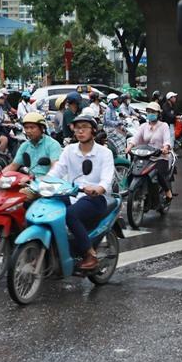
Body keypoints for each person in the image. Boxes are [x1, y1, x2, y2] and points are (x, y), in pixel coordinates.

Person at [47, 114, 114, 271]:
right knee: (42, 206)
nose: (80, 131)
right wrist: (42, 183)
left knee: (70, 214)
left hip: (95, 198)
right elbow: (57, 171)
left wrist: (98, 188)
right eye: (77, 128)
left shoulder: (105, 153)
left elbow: (106, 179)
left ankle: (90, 254)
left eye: (84, 127)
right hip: (72, 194)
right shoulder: (69, 150)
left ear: (93, 131)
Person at [128, 101, 174, 200]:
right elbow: (135, 138)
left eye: (153, 112)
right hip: (145, 155)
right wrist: (129, 147)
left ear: (158, 114)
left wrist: (165, 148)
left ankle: (167, 191)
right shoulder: (143, 126)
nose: (150, 114)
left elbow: (167, 140)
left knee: (157, 172)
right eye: (148, 111)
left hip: (160, 156)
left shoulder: (164, 126)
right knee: (133, 168)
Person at [3, 112, 63, 178]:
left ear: (42, 128)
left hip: (47, 184)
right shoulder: (24, 146)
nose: (28, 131)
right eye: (26, 128)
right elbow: (13, 166)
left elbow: (55, 169)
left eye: (32, 127)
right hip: (28, 181)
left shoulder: (53, 145)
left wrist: (41, 179)